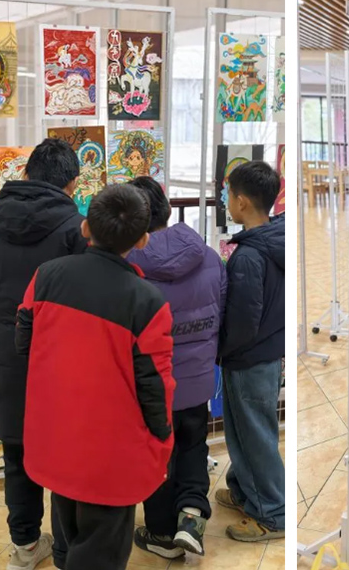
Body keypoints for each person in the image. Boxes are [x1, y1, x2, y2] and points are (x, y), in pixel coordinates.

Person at [15, 184, 175, 570]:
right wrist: (162, 437)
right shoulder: (147, 301)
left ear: (85, 227)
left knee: (69, 529)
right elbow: (155, 387)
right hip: (112, 452)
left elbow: (23, 342)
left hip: (56, 435)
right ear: (142, 239)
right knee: (102, 552)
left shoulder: (46, 276)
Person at [0, 137, 86, 570]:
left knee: (17, 455)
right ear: (72, 184)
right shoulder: (77, 229)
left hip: (7, 357)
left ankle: (25, 546)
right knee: (66, 456)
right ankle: (66, 550)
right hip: (64, 364)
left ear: (25, 173)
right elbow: (87, 300)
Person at [126, 177, 227, 560]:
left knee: (157, 455)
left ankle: (162, 535)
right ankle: (192, 515)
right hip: (198, 379)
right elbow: (222, 313)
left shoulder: (128, 268)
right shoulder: (210, 257)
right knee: (193, 444)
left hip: (151, 385)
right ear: (167, 210)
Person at [216, 161, 285, 541]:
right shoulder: (275, 237)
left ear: (241, 201)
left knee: (255, 436)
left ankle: (272, 513)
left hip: (248, 357)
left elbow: (243, 321)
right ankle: (245, 492)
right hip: (266, 353)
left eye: (228, 195)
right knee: (245, 430)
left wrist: (221, 349)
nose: (227, 201)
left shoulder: (247, 256)